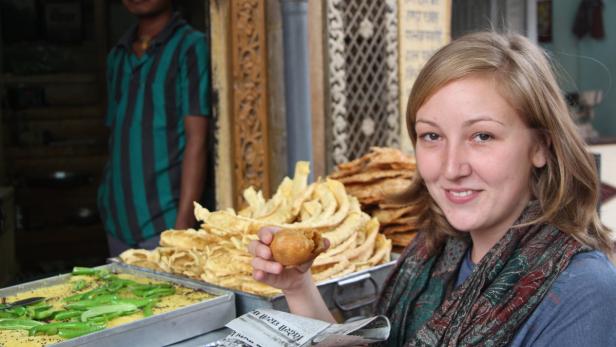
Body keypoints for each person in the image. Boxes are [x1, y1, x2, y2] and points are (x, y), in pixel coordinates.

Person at [248, 32, 616, 346]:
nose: (451, 168)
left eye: (482, 136)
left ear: (541, 146)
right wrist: (298, 287)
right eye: (432, 136)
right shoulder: (434, 253)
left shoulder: (584, 292)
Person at [98, 0, 213, 256]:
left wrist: (183, 226)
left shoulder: (190, 47)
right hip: (118, 219)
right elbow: (116, 136)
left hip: (165, 220)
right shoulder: (117, 55)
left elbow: (197, 140)